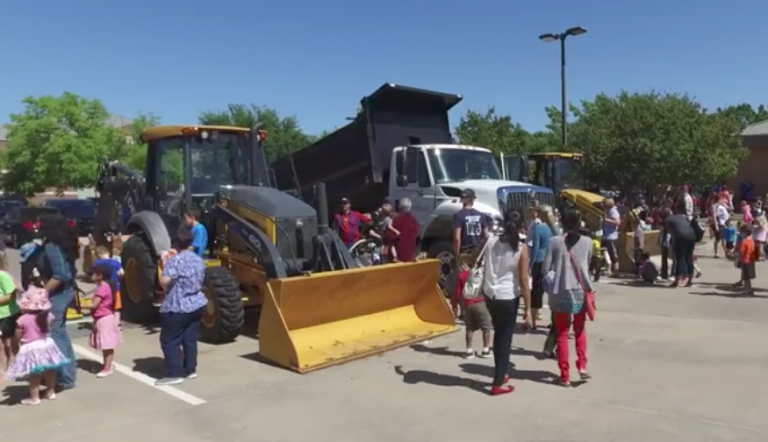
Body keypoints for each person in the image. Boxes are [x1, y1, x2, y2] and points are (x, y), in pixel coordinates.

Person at [542, 209, 593, 387]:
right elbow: (589, 265)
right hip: (580, 290)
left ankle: (565, 375)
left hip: (560, 291)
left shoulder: (554, 242)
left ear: (562, 223)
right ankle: (582, 366)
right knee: (579, 330)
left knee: (562, 333)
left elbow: (545, 269)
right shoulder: (587, 242)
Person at [482, 210, 531, 395]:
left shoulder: (491, 240)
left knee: (499, 334)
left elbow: (477, 259)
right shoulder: (520, 248)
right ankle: (497, 382)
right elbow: (524, 280)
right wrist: (527, 309)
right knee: (504, 339)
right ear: (521, 226)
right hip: (507, 296)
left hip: (490, 294)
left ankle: (500, 374)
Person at [156, 227, 208, 386]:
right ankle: (190, 369)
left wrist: (165, 264)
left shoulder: (175, 260)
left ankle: (174, 372)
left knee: (169, 339)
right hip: (197, 303)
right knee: (190, 338)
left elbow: (163, 282)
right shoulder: (198, 259)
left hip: (178, 306)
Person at [4, 287, 71, 405]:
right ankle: (50, 392)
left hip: (31, 348)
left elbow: (17, 335)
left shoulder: (22, 319)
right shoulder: (47, 316)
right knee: (50, 369)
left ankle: (34, 397)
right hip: (46, 343)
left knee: (34, 373)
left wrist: (16, 346)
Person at [38, 213, 78, 391]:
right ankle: (66, 375)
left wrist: (43, 292)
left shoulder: (52, 246)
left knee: (55, 336)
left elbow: (60, 275)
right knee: (60, 334)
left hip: (58, 295)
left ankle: (64, 377)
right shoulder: (63, 243)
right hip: (66, 292)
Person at [451, 189, 488, 318]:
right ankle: (476, 307)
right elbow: (486, 236)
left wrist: (456, 255)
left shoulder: (458, 216)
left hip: (465, 252)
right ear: (473, 199)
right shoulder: (481, 215)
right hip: (478, 252)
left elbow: (456, 238)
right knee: (477, 280)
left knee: (462, 281)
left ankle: (464, 310)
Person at [81, 263, 122, 377]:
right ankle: (107, 365)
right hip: (104, 318)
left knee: (107, 345)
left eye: (93, 273)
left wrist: (80, 306)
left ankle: (107, 368)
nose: (90, 276)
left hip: (103, 319)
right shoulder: (105, 286)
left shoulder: (102, 288)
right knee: (106, 345)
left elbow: (94, 305)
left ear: (100, 276)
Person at [454, 248, 492, 359]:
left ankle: (469, 351)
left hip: (468, 304)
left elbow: (457, 292)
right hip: (480, 302)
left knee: (469, 329)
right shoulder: (479, 272)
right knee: (486, 327)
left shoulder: (461, 276)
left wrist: (455, 305)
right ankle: (486, 349)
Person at [528, 205, 555, 329]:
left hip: (539, 261)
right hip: (551, 262)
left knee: (536, 291)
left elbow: (535, 248)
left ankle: (534, 322)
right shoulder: (553, 229)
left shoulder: (538, 229)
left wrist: (530, 264)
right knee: (552, 292)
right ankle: (553, 320)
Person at [665, 202, 697, 287]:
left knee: (680, 258)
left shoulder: (667, 221)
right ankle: (690, 281)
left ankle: (677, 281)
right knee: (689, 257)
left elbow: (669, 233)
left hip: (681, 237)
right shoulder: (680, 216)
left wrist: (671, 245)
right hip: (692, 235)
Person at [92, 245, 124, 324]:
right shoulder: (115, 262)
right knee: (116, 307)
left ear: (98, 255)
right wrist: (119, 278)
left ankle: (102, 321)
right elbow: (122, 273)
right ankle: (116, 323)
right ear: (108, 253)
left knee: (102, 306)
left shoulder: (96, 263)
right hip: (114, 288)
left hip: (101, 289)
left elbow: (93, 275)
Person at [0, 252, 19, 376]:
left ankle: (13, 362)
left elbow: (12, 294)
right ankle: (3, 364)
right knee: (1, 344)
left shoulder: (3, 276)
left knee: (9, 342)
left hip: (7, 314)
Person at [391, 198, 420, 262]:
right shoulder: (414, 220)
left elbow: (390, 237)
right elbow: (417, 236)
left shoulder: (396, 220)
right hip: (411, 256)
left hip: (399, 257)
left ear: (400, 208)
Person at [600, 198, 621, 276]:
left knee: (613, 254)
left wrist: (606, 220)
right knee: (603, 253)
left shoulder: (613, 211)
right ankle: (606, 268)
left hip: (611, 236)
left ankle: (616, 271)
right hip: (605, 235)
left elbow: (618, 222)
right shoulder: (606, 211)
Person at [738, 224, 757, 296]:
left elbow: (741, 252)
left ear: (745, 232)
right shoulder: (752, 241)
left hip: (745, 261)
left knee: (746, 277)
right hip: (751, 261)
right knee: (748, 277)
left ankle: (747, 289)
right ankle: (749, 289)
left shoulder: (744, 242)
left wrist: (739, 260)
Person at [633, 212, 648, 278]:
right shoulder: (641, 229)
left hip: (638, 247)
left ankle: (638, 274)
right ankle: (639, 273)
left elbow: (638, 238)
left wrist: (638, 246)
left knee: (638, 262)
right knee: (639, 261)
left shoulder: (637, 230)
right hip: (641, 247)